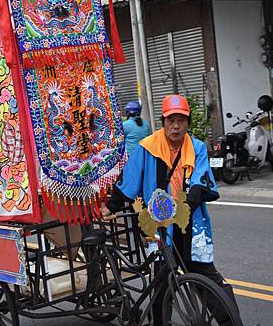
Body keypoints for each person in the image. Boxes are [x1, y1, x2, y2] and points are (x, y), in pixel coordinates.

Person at [102, 94, 240, 324]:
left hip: (189, 220)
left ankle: (232, 322)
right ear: (163, 121)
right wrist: (111, 206)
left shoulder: (196, 147)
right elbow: (130, 180)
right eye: (170, 120)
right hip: (157, 225)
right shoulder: (148, 147)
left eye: (181, 120)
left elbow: (200, 182)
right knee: (162, 278)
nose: (176, 126)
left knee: (206, 274)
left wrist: (185, 208)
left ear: (187, 123)